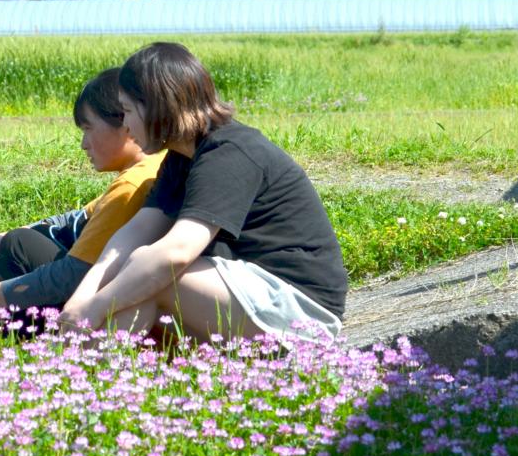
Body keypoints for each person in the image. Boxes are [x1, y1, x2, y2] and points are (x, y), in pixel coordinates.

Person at [58, 42, 347, 344]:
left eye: (128, 111)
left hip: (300, 309)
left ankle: (84, 375)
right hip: (246, 292)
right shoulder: (180, 158)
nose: (127, 126)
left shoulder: (229, 153)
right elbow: (135, 233)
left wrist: (96, 308)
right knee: (138, 273)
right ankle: (87, 376)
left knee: (155, 276)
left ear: (156, 106)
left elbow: (177, 252)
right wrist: (80, 301)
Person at [0, 67, 166, 334]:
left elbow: (74, 275)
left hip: (98, 309)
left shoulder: (130, 186)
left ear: (126, 125)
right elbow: (75, 219)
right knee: (17, 239)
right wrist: (2, 234)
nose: (83, 144)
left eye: (88, 128)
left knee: (18, 246)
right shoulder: (155, 164)